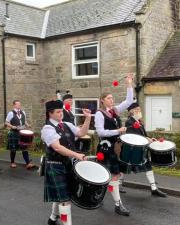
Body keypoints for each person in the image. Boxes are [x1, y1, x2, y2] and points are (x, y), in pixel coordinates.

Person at [41, 99, 91, 225]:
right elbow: (57, 147)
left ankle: (52, 218)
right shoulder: (47, 128)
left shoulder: (66, 125)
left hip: (68, 164)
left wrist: (88, 118)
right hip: (55, 166)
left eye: (61, 111)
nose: (61, 114)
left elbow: (81, 133)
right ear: (50, 113)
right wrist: (76, 154)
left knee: (63, 195)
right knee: (65, 199)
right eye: (58, 112)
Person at [94, 74, 133, 216]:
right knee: (113, 175)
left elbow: (129, 101)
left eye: (112, 98)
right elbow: (100, 132)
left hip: (117, 147)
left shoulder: (115, 110)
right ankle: (118, 205)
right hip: (106, 147)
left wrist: (129, 83)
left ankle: (99, 194)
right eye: (109, 98)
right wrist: (118, 130)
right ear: (102, 101)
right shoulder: (99, 114)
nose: (112, 100)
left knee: (113, 175)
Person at [119, 102, 167, 197]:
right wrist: (147, 140)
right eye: (137, 109)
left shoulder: (139, 122)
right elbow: (135, 137)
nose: (139, 111)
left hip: (141, 148)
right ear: (131, 111)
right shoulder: (129, 122)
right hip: (131, 149)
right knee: (123, 166)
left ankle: (154, 188)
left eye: (139, 109)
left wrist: (150, 138)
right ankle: (118, 184)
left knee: (148, 167)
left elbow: (143, 135)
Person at [5, 100, 35, 169]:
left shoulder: (23, 112)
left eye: (19, 104)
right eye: (17, 104)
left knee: (24, 148)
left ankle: (28, 163)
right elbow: (6, 122)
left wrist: (28, 125)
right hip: (14, 132)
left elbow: (24, 121)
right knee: (13, 148)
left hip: (22, 132)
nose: (19, 105)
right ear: (14, 105)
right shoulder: (11, 113)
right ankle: (12, 162)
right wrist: (12, 126)